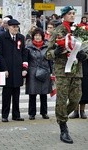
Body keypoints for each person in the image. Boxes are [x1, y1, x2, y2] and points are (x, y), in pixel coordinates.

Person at [45, 6, 88, 144]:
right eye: (69, 13)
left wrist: (83, 55)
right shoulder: (58, 31)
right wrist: (55, 53)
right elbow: (47, 53)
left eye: (74, 13)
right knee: (62, 100)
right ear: (63, 15)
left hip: (76, 70)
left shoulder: (79, 30)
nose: (72, 15)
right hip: (62, 71)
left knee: (76, 99)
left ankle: (61, 117)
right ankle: (63, 127)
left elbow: (85, 48)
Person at [0, 19, 28, 122]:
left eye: (17, 27)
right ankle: (4, 115)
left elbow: (24, 53)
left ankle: (16, 115)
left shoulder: (21, 37)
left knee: (16, 94)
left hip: (18, 69)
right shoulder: (2, 37)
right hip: (7, 69)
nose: (15, 29)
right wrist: (4, 68)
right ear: (9, 27)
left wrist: (24, 68)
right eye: (13, 27)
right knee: (6, 94)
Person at [25, 28, 52, 120]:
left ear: (42, 37)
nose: (37, 37)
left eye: (39, 36)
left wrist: (52, 72)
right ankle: (32, 113)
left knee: (43, 94)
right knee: (32, 94)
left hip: (44, 71)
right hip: (32, 72)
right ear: (33, 37)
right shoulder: (28, 47)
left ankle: (44, 112)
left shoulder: (47, 46)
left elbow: (50, 61)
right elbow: (26, 60)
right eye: (36, 35)